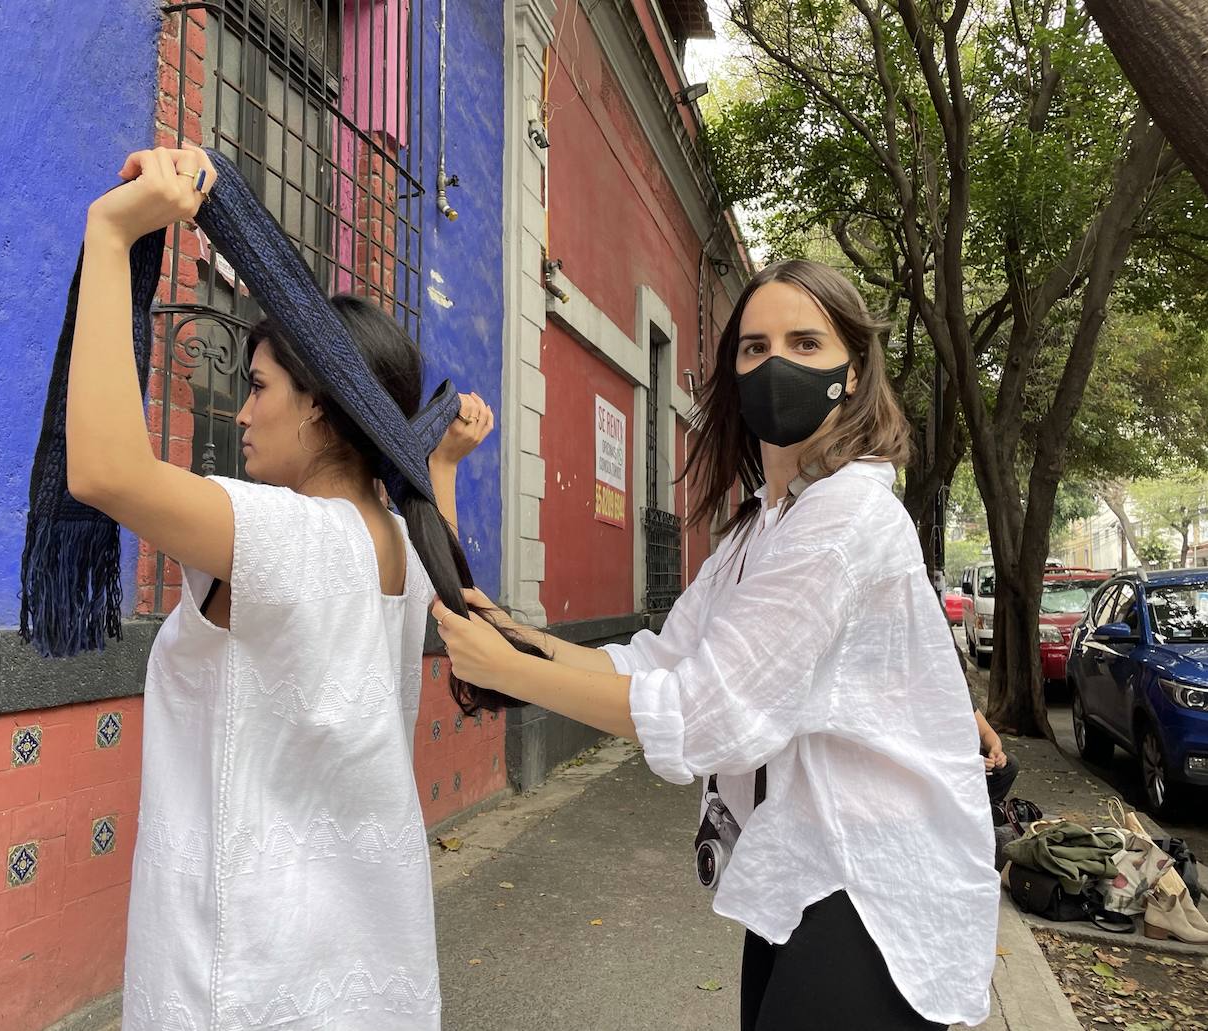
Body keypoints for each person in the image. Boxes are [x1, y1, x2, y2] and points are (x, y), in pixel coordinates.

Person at [432, 260, 1000, 1029]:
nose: (777, 365)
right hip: (802, 866)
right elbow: (660, 660)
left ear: (854, 369)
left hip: (872, 883)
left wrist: (514, 674)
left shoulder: (843, 520)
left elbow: (705, 711)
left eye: (806, 343)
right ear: (732, 375)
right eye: (754, 347)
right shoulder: (763, 526)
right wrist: (528, 643)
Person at [68, 144, 506, 1030]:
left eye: (257, 384)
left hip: (243, 969)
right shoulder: (398, 545)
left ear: (317, 403)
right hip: (366, 962)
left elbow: (107, 470)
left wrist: (110, 238)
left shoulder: (287, 535)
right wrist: (445, 464)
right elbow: (437, 543)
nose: (241, 409)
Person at [976, 708, 1019, 804]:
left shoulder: (963, 697)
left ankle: (986, 805)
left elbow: (986, 732)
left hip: (969, 757)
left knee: (1010, 764)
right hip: (943, 763)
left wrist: (995, 750)